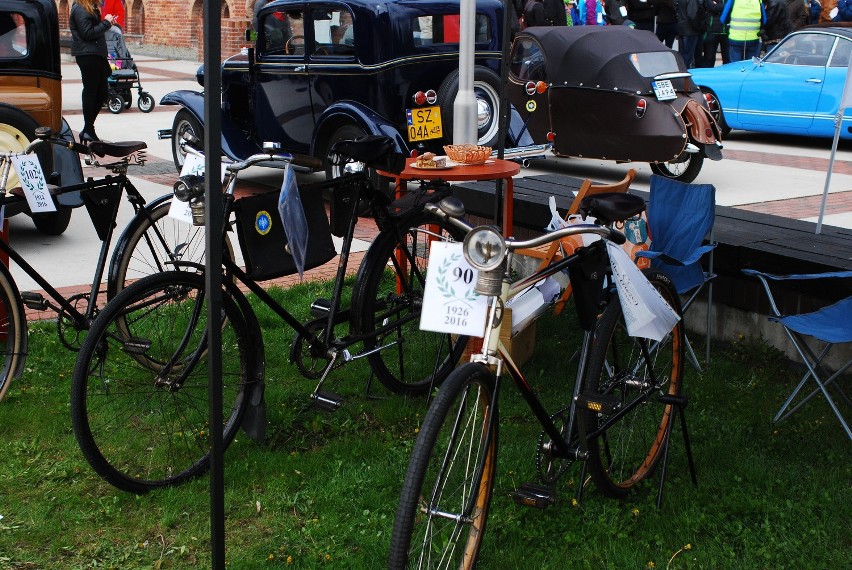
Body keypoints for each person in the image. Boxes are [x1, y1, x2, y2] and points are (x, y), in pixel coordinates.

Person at [70, 0, 117, 143]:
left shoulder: (88, 7)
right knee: (91, 91)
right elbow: (87, 33)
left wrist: (106, 23)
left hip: (96, 54)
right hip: (88, 55)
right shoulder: (80, 8)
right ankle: (89, 130)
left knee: (102, 93)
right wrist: (106, 23)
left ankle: (88, 129)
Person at [677, 0, 707, 68]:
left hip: (683, 28)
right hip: (691, 31)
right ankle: (685, 75)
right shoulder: (693, 1)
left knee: (683, 55)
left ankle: (682, 72)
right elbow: (692, 15)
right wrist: (699, 27)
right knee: (688, 57)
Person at [702, 0, 730, 66]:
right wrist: (727, 6)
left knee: (727, 59)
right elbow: (712, 7)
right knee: (709, 58)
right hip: (712, 31)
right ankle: (708, 75)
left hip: (726, 31)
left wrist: (718, 6)